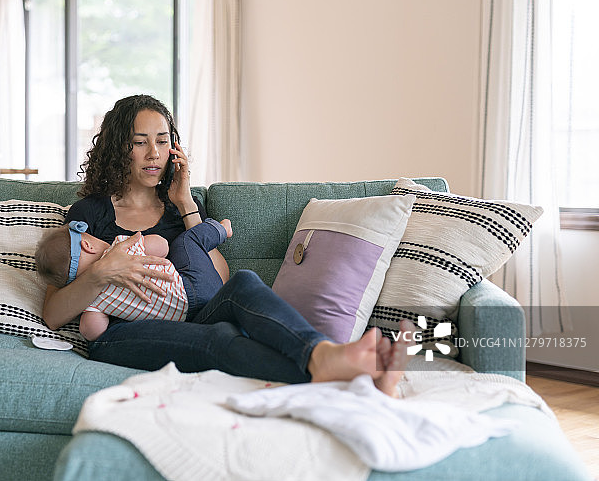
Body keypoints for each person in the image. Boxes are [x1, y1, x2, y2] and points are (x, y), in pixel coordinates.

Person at [42, 94, 413, 395]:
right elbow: (53, 313)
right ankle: (351, 381)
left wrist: (187, 204)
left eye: (162, 141)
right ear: (119, 150)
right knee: (221, 337)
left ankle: (325, 354)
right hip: (121, 333)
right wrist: (102, 273)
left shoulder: (180, 206)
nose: (154, 153)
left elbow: (216, 279)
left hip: (191, 309)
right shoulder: (90, 212)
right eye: (140, 143)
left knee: (245, 283)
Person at [35, 216, 233, 341]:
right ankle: (222, 229)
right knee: (186, 240)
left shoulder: (92, 301)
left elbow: (91, 331)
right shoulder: (122, 245)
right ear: (88, 245)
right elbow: (162, 246)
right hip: (195, 287)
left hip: (179, 320)